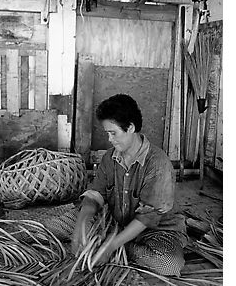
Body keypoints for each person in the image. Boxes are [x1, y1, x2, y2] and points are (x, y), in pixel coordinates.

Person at [71, 93, 188, 276]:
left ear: (131, 127)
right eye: (107, 133)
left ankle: (120, 245)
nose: (110, 139)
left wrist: (112, 246)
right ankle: (112, 240)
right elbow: (96, 193)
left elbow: (147, 218)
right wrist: (82, 221)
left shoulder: (157, 163)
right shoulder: (110, 158)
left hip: (156, 231)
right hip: (117, 222)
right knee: (67, 224)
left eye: (113, 133)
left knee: (169, 265)